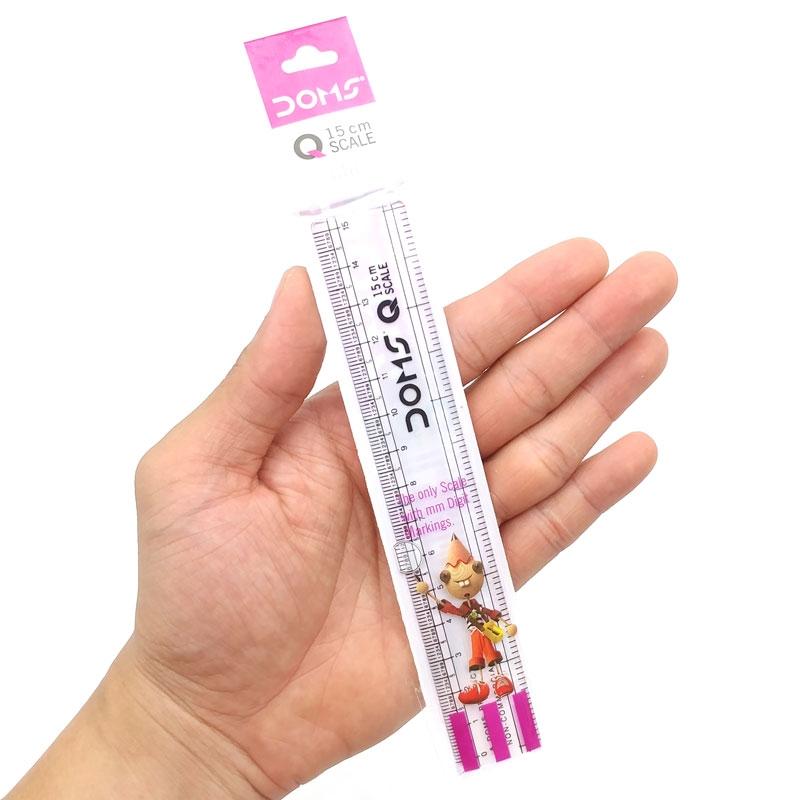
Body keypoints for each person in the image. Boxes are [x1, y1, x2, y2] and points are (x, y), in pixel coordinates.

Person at [5, 239, 677, 799]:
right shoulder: (445, 592)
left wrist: (182, 733)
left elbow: (465, 603)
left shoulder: (464, 594)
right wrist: (185, 721)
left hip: (465, 636)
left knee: (482, 656)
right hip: (437, 632)